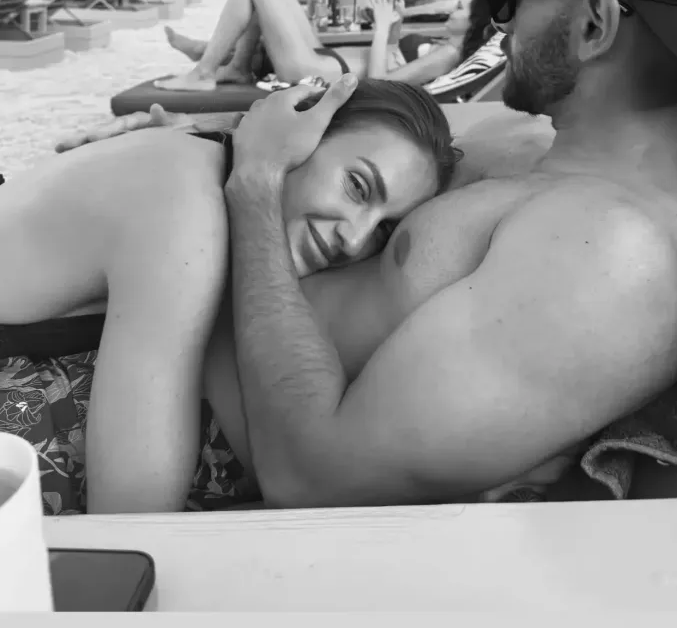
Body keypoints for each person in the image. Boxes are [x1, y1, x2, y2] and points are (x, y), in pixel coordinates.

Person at [57, 0, 677, 509]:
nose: (497, 23)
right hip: (134, 327)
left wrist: (253, 188)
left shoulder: (616, 257)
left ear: (594, 23)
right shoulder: (525, 141)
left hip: (156, 438)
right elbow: (349, 131)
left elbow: (312, 474)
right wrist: (204, 143)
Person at [0, 80, 455, 515]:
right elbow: (131, 511)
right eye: (357, 186)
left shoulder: (204, 161)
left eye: (383, 231)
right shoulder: (186, 216)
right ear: (298, 137)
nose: (355, 240)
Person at [157, 0, 492, 92]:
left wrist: (380, 28)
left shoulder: (448, 55)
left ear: (475, 22)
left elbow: (380, 83)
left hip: (314, 70)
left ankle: (204, 72)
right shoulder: (443, 45)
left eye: (460, 8)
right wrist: (395, 21)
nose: (453, 9)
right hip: (324, 58)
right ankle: (237, 67)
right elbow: (392, 55)